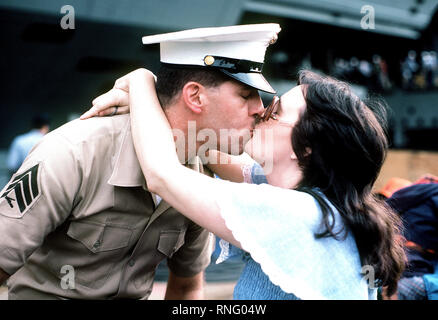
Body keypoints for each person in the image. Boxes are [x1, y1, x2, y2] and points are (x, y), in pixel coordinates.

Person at [0, 23, 280, 299]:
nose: (259, 108)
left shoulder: (200, 177)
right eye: (245, 95)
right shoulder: (75, 154)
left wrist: (141, 82)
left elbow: (187, 286)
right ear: (195, 96)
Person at [83, 68, 406, 299]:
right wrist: (163, 110)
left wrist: (143, 81)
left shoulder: (298, 214)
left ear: (306, 147)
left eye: (276, 112)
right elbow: (201, 145)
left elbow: (162, 175)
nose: (261, 112)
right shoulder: (315, 203)